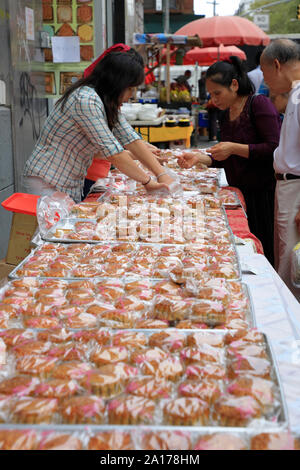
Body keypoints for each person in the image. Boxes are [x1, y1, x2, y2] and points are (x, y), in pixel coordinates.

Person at [23, 45, 174, 203]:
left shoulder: (105, 102)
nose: (131, 95)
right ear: (116, 83)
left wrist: (161, 174)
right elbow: (114, 153)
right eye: (130, 89)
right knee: (51, 227)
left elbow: (130, 138)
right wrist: (148, 182)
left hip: (68, 182)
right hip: (48, 180)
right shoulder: (86, 99)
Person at [178, 56, 281, 265]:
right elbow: (224, 158)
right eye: (211, 94)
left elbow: (273, 148)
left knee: (263, 250)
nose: (214, 100)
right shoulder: (225, 115)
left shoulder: (258, 104)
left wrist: (233, 148)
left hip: (263, 194)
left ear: (234, 85)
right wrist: (200, 158)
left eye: (217, 93)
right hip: (237, 194)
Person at [260, 39, 300, 299]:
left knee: (291, 265)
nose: (265, 82)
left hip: (296, 188)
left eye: (265, 74)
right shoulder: (296, 96)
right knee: (286, 258)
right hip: (289, 186)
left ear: (277, 65)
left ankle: (291, 330)